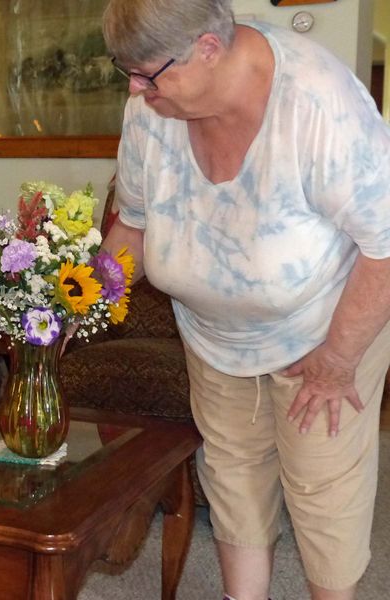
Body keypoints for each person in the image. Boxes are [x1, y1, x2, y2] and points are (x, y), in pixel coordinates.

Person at [100, 1, 390, 599]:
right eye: (125, 70)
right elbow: (132, 223)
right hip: (212, 335)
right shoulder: (148, 109)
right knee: (231, 475)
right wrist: (78, 299)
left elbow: (386, 247)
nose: (135, 88)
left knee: (321, 488)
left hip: (325, 330)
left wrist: (337, 362)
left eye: (148, 72)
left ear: (208, 47)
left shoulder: (318, 102)